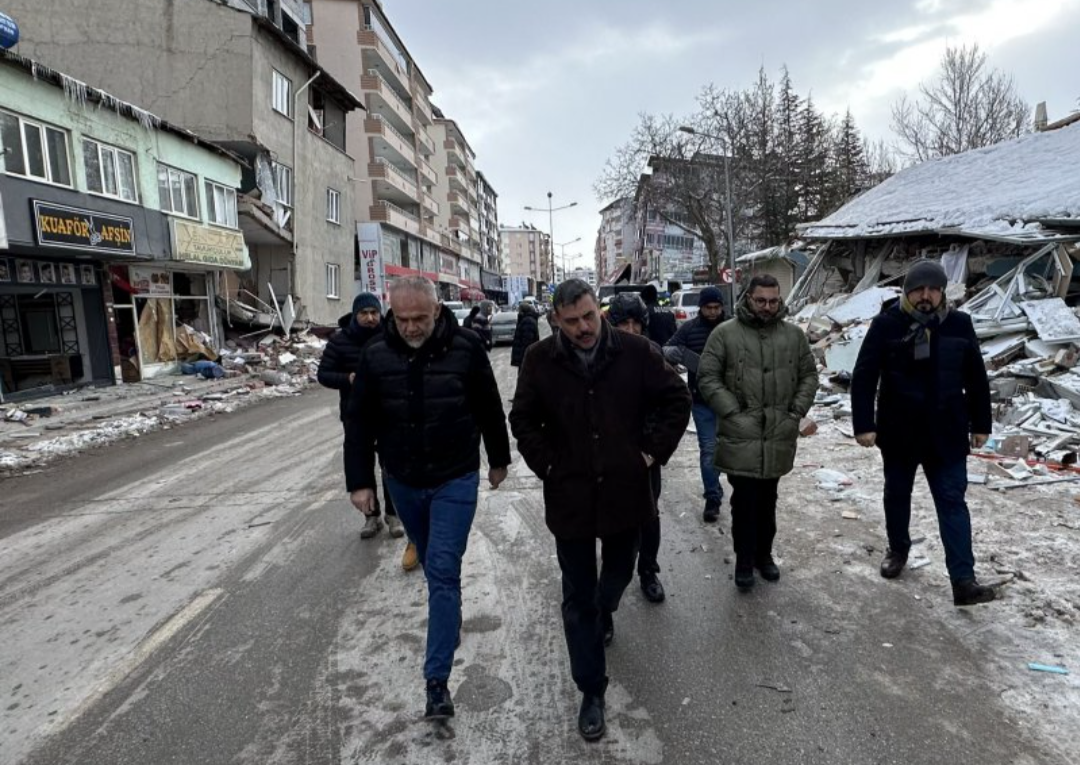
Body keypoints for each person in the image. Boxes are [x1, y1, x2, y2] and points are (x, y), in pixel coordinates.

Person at [509, 279, 690, 742]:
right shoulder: (539, 360)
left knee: (617, 574)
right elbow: (523, 419)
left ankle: (605, 608)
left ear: (599, 310)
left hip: (625, 491)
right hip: (569, 495)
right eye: (570, 322)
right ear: (556, 321)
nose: (582, 328)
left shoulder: (636, 351)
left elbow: (676, 400)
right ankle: (591, 689)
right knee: (577, 597)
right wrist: (547, 463)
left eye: (588, 316)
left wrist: (649, 454)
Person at [344, 277, 512, 720]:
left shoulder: (467, 347)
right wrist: (361, 482)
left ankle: (436, 682)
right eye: (403, 319)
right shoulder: (376, 355)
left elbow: (489, 406)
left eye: (421, 318)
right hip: (402, 479)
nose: (412, 327)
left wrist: (498, 459)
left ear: (437, 311)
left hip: (455, 478)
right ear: (390, 316)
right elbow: (358, 424)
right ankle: (448, 615)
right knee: (435, 572)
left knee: (441, 568)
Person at [851, 260, 996, 607]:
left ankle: (963, 579)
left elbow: (976, 378)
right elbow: (865, 375)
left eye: (933, 289)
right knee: (897, 495)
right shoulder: (887, 325)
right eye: (919, 289)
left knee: (952, 503)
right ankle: (898, 549)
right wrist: (864, 424)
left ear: (943, 292)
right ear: (907, 291)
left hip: (946, 433)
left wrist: (981, 424)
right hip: (899, 432)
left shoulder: (959, 324)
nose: (926, 295)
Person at [697, 274, 817, 590]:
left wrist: (795, 412)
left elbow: (809, 375)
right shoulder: (726, 334)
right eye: (761, 300)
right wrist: (732, 411)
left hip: (778, 432)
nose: (767, 306)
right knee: (745, 501)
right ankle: (745, 560)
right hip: (741, 433)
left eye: (773, 300)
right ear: (748, 298)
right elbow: (708, 377)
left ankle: (764, 556)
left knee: (768, 499)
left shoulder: (793, 336)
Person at [316, 293, 407, 549]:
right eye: (364, 313)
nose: (370, 318)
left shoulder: (389, 339)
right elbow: (323, 374)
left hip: (388, 412)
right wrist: (348, 378)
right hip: (356, 415)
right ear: (355, 315)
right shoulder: (341, 341)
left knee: (391, 464)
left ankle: (393, 514)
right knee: (361, 462)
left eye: (374, 313)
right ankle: (371, 516)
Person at [606, 292, 670, 603]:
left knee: (649, 514)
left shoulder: (651, 353)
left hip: (644, 455)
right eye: (623, 323)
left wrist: (651, 449)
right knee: (611, 521)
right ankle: (608, 590)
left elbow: (668, 404)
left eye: (635, 323)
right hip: (606, 455)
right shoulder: (599, 353)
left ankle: (648, 570)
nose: (630, 330)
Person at [663, 286, 727, 522]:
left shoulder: (732, 328)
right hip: (702, 401)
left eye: (716, 308)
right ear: (701, 308)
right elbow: (667, 349)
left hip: (731, 401)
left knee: (730, 450)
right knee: (709, 449)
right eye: (708, 308)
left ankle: (719, 486)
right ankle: (712, 497)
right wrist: (685, 357)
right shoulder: (689, 329)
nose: (712, 312)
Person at [510, 300, 541, 369]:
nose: (518, 312)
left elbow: (527, 341)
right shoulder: (526, 319)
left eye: (519, 310)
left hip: (526, 358)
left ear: (523, 311)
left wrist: (525, 358)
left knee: (525, 377)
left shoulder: (527, 321)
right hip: (526, 357)